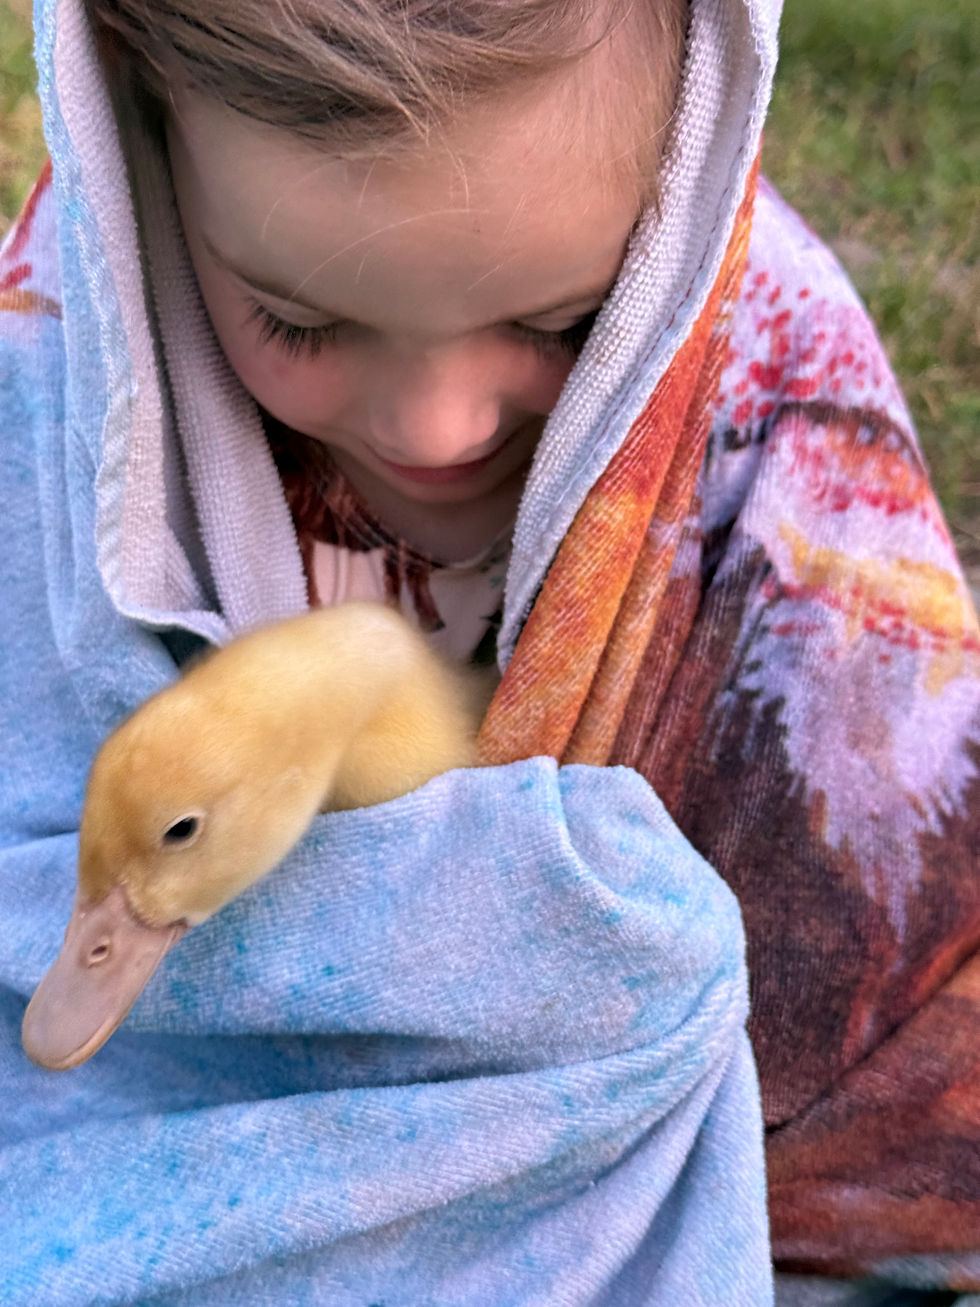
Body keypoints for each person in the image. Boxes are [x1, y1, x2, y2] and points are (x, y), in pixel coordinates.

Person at [0, 0, 977, 1302]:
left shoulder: (787, 435)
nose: (437, 426)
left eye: (563, 321)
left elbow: (885, 1032)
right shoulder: (53, 387)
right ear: (142, 140)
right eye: (298, 318)